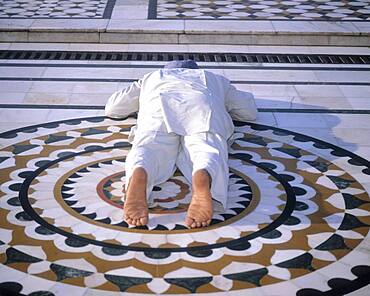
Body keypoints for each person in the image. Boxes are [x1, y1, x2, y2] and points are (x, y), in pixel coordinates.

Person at [105, 60, 257, 229]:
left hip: (158, 108)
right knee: (206, 149)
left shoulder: (153, 77)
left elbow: (113, 108)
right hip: (201, 110)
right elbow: (249, 112)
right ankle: (203, 173)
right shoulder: (213, 78)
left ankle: (140, 171)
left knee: (148, 147)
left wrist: (142, 94)